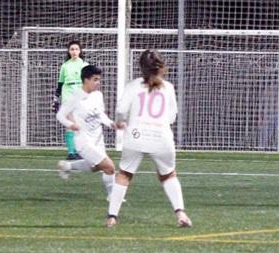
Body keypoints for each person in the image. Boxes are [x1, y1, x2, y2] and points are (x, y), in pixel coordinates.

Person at [107, 49, 191, 228]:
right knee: (168, 175)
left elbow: (121, 110)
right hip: (161, 137)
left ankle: (112, 217)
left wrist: (120, 122)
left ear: (141, 67)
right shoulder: (168, 87)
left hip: (136, 136)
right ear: (161, 67)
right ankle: (181, 214)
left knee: (124, 175)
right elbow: (172, 116)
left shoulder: (133, 85)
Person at [55, 65, 116, 200]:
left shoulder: (98, 95)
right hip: (83, 141)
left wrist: (111, 124)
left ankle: (67, 166)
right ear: (86, 80)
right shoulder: (75, 97)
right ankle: (113, 196)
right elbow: (60, 115)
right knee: (109, 167)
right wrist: (71, 124)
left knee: (96, 167)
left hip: (98, 139)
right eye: (95, 79)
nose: (98, 83)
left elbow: (100, 115)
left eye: (99, 79)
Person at [53, 40, 88, 160]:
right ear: (68, 51)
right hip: (68, 94)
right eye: (72, 49)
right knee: (71, 122)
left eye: (76, 49)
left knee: (79, 123)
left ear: (80, 51)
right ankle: (72, 152)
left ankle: (77, 150)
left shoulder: (84, 65)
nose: (74, 51)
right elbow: (60, 83)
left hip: (80, 95)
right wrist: (56, 98)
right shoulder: (65, 66)